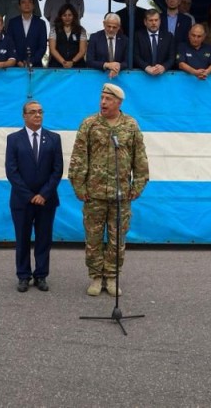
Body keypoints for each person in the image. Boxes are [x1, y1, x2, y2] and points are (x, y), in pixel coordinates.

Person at [68, 83, 149, 297]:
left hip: (121, 194)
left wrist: (138, 184)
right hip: (93, 193)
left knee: (117, 238)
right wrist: (78, 185)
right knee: (93, 237)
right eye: (102, 98)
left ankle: (112, 277)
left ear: (119, 102)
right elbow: (78, 156)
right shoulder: (89, 124)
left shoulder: (130, 126)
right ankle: (95, 276)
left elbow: (139, 158)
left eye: (108, 99)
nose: (103, 102)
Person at [5, 100, 64, 292]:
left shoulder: (53, 138)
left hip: (46, 200)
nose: (37, 115)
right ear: (24, 116)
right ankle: (23, 276)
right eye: (33, 112)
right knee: (22, 239)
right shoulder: (13, 139)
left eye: (40, 112)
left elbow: (57, 170)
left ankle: (41, 275)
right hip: (22, 201)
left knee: (43, 239)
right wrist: (30, 195)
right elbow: (11, 171)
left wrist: (43, 194)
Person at [5, 0, 47, 68]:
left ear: (34, 6)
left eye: (30, 2)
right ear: (19, 6)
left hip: (35, 65)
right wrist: (18, 61)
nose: (27, 4)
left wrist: (32, 61)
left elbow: (42, 46)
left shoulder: (41, 23)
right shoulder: (12, 22)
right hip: (16, 65)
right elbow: (9, 44)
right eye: (23, 2)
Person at [133, 9, 175, 76]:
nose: (154, 23)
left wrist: (163, 67)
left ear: (160, 21)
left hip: (163, 77)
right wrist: (146, 67)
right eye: (151, 20)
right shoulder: (138, 36)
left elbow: (172, 57)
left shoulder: (168, 36)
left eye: (156, 20)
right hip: (143, 76)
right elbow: (135, 56)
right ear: (145, 22)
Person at [85, 13, 128, 79]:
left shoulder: (124, 39)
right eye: (109, 26)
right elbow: (89, 61)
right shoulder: (95, 37)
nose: (111, 29)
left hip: (118, 77)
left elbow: (128, 61)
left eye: (114, 27)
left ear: (119, 27)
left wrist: (118, 67)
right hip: (97, 77)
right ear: (104, 24)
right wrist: (106, 65)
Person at [47, 3, 87, 68]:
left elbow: (82, 51)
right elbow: (52, 50)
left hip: (77, 66)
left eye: (70, 15)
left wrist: (72, 62)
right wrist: (63, 62)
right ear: (60, 17)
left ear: (74, 16)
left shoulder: (81, 30)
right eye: (64, 15)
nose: (67, 18)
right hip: (57, 65)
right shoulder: (54, 30)